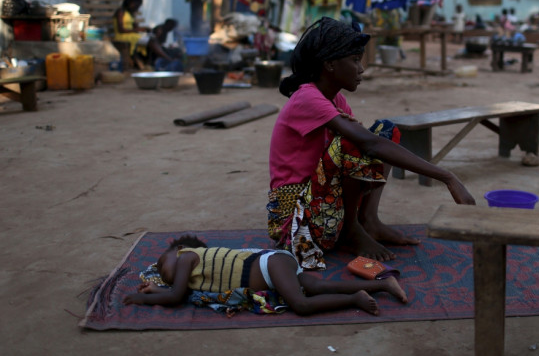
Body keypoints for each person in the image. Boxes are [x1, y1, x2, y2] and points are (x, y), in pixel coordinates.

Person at [267, 17, 476, 270]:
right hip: (296, 224)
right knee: (358, 142)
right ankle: (350, 230)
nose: (361, 69)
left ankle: (368, 220)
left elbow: (375, 145)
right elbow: (368, 145)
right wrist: (448, 177)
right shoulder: (308, 97)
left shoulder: (335, 100)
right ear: (330, 64)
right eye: (355, 60)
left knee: (385, 131)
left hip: (321, 212)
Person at [122, 234, 408, 316]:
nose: (163, 271)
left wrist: (139, 297)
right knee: (317, 287)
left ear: (179, 249)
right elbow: (179, 293)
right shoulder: (191, 274)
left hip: (268, 265)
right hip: (275, 269)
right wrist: (156, 290)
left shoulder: (187, 258)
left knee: (301, 305)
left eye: (161, 264)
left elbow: (174, 297)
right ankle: (382, 286)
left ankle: (356, 299)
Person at [113, 0, 151, 68]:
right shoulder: (120, 11)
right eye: (136, 5)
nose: (136, 7)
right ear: (130, 2)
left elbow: (135, 27)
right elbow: (121, 30)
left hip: (132, 35)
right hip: (122, 36)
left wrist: (140, 28)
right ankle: (147, 63)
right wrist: (138, 29)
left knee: (151, 39)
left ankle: (147, 63)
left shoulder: (130, 13)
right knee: (150, 41)